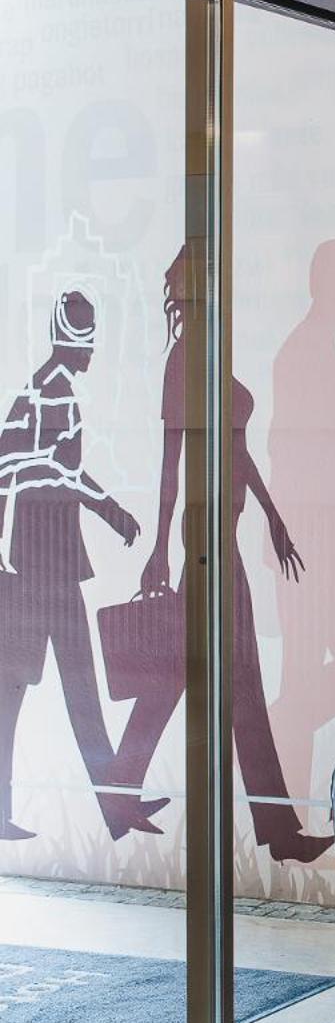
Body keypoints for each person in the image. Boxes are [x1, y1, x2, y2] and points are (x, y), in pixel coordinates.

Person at [110, 248, 332, 863]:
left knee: (176, 673)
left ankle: (119, 789)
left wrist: (272, 515)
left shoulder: (209, 356)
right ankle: (279, 833)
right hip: (205, 537)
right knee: (240, 680)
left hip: (223, 533)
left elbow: (238, 448)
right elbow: (170, 464)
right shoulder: (183, 362)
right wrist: (159, 547)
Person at [0, 291, 164, 841]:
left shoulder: (48, 389)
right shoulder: (49, 392)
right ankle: (110, 807)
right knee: (22, 690)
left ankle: (116, 807)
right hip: (39, 565)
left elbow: (37, 469)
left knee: (72, 690)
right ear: (68, 339)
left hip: (46, 560)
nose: (93, 350)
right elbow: (44, 472)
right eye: (86, 338)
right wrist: (111, 510)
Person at [266, 239, 335, 797]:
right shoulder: (305, 354)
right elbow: (292, 460)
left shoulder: (315, 350)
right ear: (334, 288)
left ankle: (288, 813)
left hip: (311, 538)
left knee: (311, 677)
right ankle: (263, 742)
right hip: (306, 542)